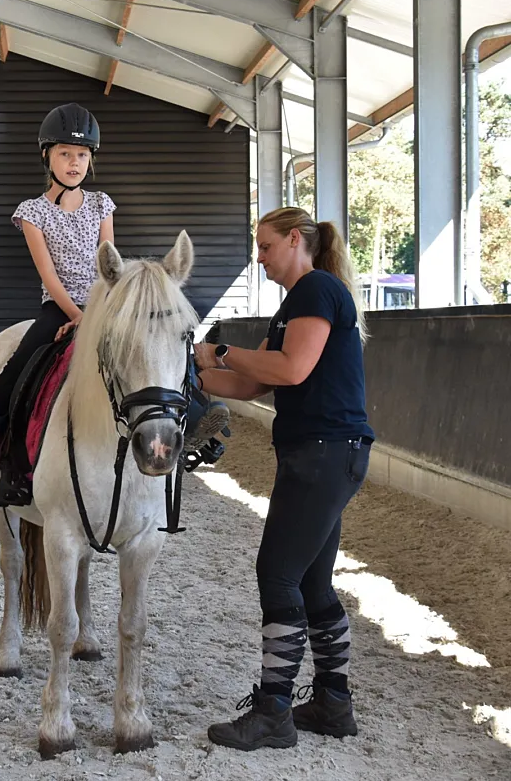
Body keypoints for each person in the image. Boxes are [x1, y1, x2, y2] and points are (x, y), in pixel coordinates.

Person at [197, 206, 374, 751]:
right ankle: (332, 701)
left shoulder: (317, 289)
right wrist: (192, 374)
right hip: (323, 453)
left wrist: (222, 349)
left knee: (277, 574)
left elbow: (291, 370)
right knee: (312, 582)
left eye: (266, 246)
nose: (259, 256)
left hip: (323, 452)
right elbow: (256, 386)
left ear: (295, 240)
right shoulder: (295, 304)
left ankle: (274, 712)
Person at [0, 103, 114, 504]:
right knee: (16, 372)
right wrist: (78, 317)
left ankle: (194, 412)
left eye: (82, 155)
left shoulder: (102, 205)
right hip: (60, 307)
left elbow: (109, 262)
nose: (75, 162)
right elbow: (49, 276)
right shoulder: (33, 213)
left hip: (102, 303)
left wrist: (97, 314)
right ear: (47, 156)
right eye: (65, 153)